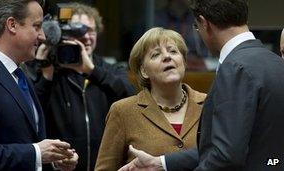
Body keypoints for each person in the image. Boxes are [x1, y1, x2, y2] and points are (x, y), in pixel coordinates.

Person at [119, 0, 284, 171]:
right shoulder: (277, 63)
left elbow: (226, 156)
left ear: (205, 23)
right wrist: (161, 163)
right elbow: (249, 145)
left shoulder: (234, 68)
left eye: (197, 27)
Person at [33, 2, 135, 171]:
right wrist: (46, 74)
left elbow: (131, 97)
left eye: (91, 31)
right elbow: (33, 114)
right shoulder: (51, 71)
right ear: (62, 34)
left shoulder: (109, 70)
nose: (87, 37)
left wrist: (92, 71)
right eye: (78, 31)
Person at [0, 0, 78, 170]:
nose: (43, 36)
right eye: (37, 26)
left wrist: (53, 158)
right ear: (12, 25)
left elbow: (26, 141)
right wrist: (37, 154)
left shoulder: (19, 74)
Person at [94, 27, 206, 171]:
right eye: (156, 54)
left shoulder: (209, 104)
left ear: (184, 62)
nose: (167, 57)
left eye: (173, 51)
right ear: (144, 71)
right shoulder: (123, 111)